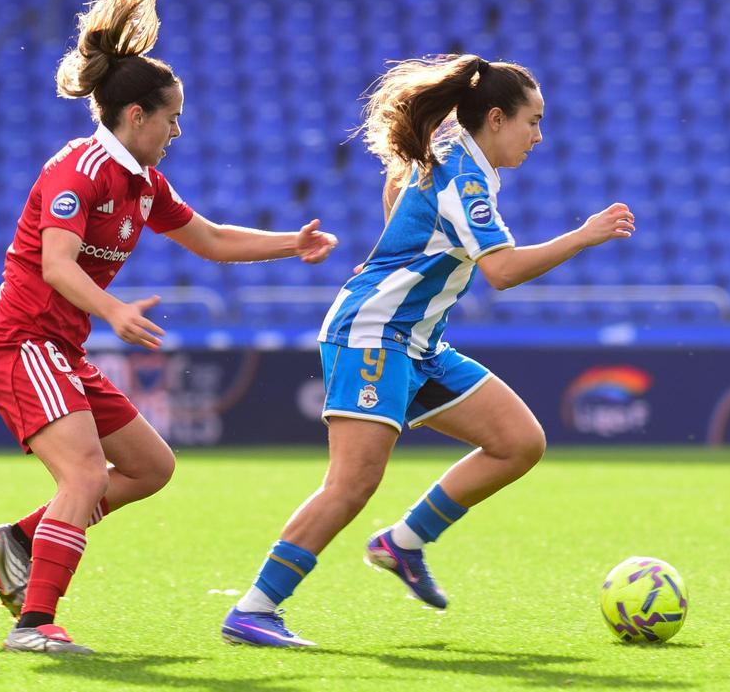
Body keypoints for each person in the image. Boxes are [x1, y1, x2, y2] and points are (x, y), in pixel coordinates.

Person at [0, 0, 337, 655]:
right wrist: (110, 309)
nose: (177, 131)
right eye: (171, 118)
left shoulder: (144, 181)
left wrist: (292, 242)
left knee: (151, 466)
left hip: (60, 346)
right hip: (22, 339)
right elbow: (54, 263)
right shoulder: (79, 169)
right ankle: (33, 622)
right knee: (82, 474)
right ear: (135, 114)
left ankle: (20, 537)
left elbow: (212, 239)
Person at [221, 54, 633, 647]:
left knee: (518, 442)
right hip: (373, 337)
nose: (540, 136)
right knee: (352, 483)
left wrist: (395, 247)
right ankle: (255, 609)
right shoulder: (466, 177)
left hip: (417, 343)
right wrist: (583, 235)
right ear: (496, 118)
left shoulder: (456, 155)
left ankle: (402, 543)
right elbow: (501, 271)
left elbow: (398, 187)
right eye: (533, 121)